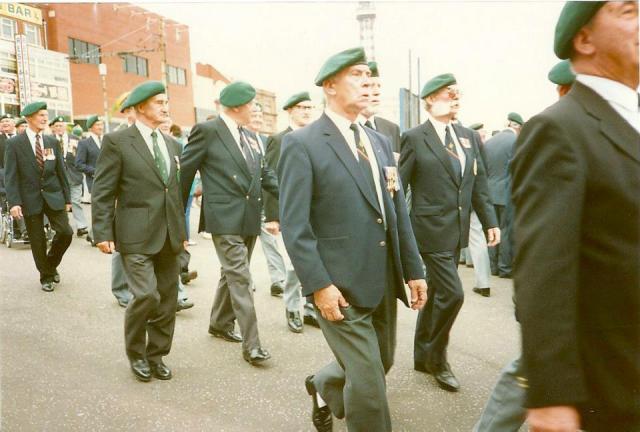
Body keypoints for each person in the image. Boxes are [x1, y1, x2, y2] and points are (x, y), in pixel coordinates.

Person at [279, 47, 427, 432]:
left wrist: (413, 269)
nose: (367, 83)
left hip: (382, 278)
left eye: (370, 77)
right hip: (339, 284)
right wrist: (319, 285)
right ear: (329, 86)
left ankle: (323, 385)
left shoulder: (377, 141)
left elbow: (396, 214)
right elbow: (295, 227)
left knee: (382, 363)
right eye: (357, 75)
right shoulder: (302, 143)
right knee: (369, 387)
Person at [512, 2, 639, 431]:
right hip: (611, 391)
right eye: (628, 11)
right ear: (584, 40)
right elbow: (544, 271)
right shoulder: (559, 129)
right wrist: (551, 398)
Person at [472, 52, 578, 432]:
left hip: (501, 200)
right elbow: (542, 232)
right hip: (568, 296)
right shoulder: (555, 129)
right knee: (533, 371)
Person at [399, 73, 499, 392]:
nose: (454, 99)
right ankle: (438, 358)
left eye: (457, 94)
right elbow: (398, 187)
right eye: (447, 94)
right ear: (429, 100)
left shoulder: (467, 136)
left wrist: (490, 221)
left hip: (455, 230)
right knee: (453, 294)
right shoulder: (415, 137)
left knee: (435, 294)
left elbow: (478, 181)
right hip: (428, 230)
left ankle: (421, 354)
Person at [91, 81, 186, 382]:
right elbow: (103, 190)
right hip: (134, 235)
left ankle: (156, 355)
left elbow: (173, 193)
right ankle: (136, 354)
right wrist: (102, 231)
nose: (165, 107)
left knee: (168, 299)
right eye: (159, 102)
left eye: (166, 101)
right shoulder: (118, 141)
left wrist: (182, 233)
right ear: (141, 106)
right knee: (146, 295)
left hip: (169, 234)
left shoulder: (172, 144)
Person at [179, 81, 279, 366]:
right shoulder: (208, 131)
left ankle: (220, 323)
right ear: (237, 106)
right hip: (223, 218)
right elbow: (185, 173)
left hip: (248, 216)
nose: (255, 109)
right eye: (252, 105)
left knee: (232, 273)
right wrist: (176, 215)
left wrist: (297, 199)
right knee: (241, 277)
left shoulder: (249, 136)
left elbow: (265, 176)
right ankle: (253, 345)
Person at [263, 90, 319, 333]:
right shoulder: (279, 139)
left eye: (309, 108)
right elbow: (271, 178)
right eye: (301, 108)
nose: (306, 112)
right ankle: (293, 308)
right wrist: (273, 216)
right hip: (291, 211)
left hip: (316, 212)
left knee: (316, 261)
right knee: (294, 265)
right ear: (290, 111)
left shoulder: (316, 137)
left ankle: (310, 309)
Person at [4, 101, 73, 292]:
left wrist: (67, 199)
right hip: (29, 198)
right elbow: (11, 176)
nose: (44, 118)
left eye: (45, 115)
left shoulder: (52, 141)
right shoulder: (14, 144)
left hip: (54, 195)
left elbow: (61, 171)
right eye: (40, 115)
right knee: (37, 239)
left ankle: (50, 264)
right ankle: (46, 276)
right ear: (29, 118)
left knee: (66, 232)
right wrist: (14, 202)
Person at [246, 102, 286, 297]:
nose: (258, 117)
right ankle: (245, 279)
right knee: (244, 245)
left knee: (271, 242)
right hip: (245, 203)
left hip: (264, 201)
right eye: (254, 113)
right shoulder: (239, 139)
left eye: (261, 114)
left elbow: (270, 172)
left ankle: (278, 279)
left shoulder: (265, 140)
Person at [482, 112, 522, 279]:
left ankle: (493, 267)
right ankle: (505, 268)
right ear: (518, 126)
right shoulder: (517, 142)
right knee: (506, 230)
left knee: (492, 229)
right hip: (506, 193)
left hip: (489, 193)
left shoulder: (489, 142)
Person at [49, 116, 88, 238]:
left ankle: (81, 226)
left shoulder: (75, 139)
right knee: (59, 202)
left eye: (61, 125)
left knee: (76, 201)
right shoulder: (49, 140)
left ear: (65, 127)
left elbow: (81, 156)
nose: (59, 128)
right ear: (53, 128)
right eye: (57, 126)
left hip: (73, 175)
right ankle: (63, 226)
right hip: (57, 176)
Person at [359, 61, 401, 157]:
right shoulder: (349, 128)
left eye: (379, 86)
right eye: (370, 86)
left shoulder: (392, 129)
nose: (377, 92)